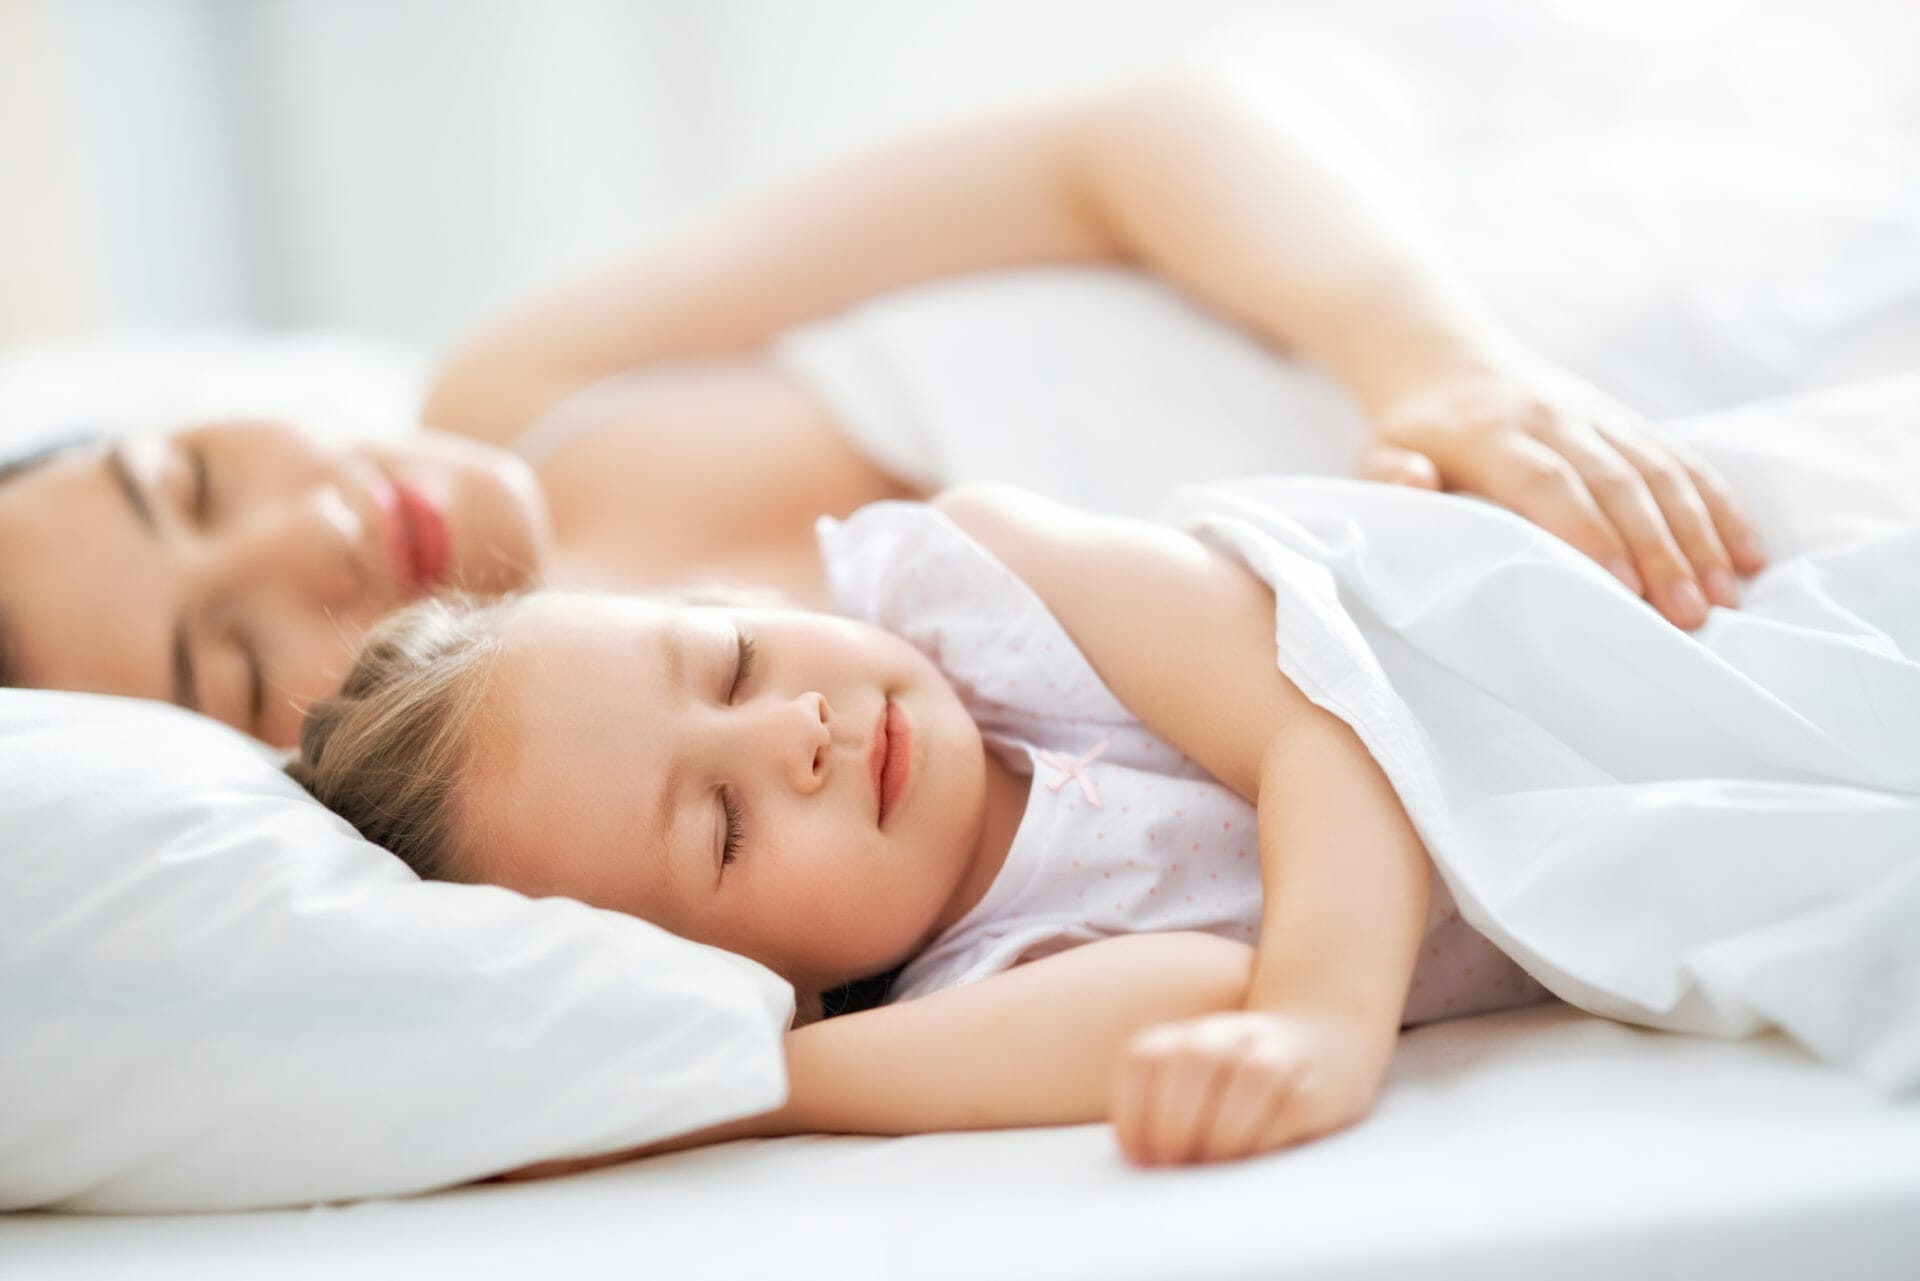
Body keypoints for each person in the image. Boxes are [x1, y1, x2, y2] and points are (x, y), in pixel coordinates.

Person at [0, 76, 1767, 748]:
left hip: (1509, 321)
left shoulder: (525, 394)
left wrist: (1430, 361)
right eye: (233, 658)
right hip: (1628, 575)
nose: (309, 526)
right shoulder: (665, 791)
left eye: (197, 474)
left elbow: (1123, 143)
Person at [284, 454, 1919, 1175]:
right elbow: (1194, 998)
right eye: (717, 830)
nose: (789, 732)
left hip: (1607, 653)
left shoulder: (985, 583)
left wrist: (1329, 1025)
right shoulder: (963, 986)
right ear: (756, 975)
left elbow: (1320, 722)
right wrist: (717, 1086)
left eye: (728, 656)